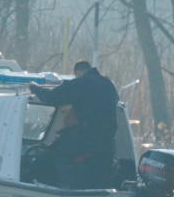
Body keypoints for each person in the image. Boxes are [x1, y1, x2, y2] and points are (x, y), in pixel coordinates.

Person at [27, 60, 119, 188]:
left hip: (90, 137)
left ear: (78, 72)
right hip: (108, 139)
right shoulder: (109, 83)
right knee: (101, 168)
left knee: (59, 150)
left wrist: (34, 87)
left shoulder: (82, 83)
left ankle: (66, 187)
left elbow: (52, 97)